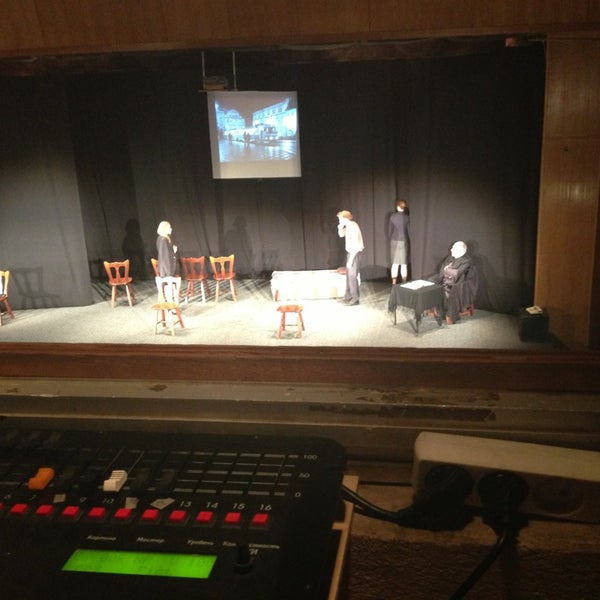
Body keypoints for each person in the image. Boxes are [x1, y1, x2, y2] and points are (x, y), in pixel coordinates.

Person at [429, 241, 474, 323]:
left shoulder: (466, 261)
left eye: (453, 248)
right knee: (429, 283)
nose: (451, 249)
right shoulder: (449, 258)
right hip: (445, 281)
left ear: (461, 250)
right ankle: (437, 311)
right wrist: (434, 280)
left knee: (440, 291)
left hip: (456, 286)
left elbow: (457, 274)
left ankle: (443, 314)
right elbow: (442, 271)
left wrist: (447, 269)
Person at [336, 210, 364, 306]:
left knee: (352, 276)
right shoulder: (347, 226)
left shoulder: (353, 227)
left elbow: (356, 246)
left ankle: (355, 298)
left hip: (355, 253)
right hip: (350, 253)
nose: (339, 221)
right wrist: (340, 228)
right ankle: (348, 296)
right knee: (348, 275)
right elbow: (341, 235)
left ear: (345, 219)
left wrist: (351, 260)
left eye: (340, 219)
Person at [156, 221, 179, 302]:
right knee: (168, 285)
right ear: (164, 228)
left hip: (166, 268)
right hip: (166, 269)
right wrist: (169, 272)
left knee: (169, 285)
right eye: (169, 227)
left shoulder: (164, 238)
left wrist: (172, 250)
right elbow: (165, 257)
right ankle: (169, 302)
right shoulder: (163, 240)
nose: (171, 229)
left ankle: (170, 301)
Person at [388, 199, 410, 284]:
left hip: (394, 241)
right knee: (404, 264)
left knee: (395, 264)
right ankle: (404, 283)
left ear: (397, 207)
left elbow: (390, 231)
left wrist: (391, 238)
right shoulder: (407, 218)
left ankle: (394, 283)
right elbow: (409, 231)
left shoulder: (392, 217)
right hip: (404, 241)